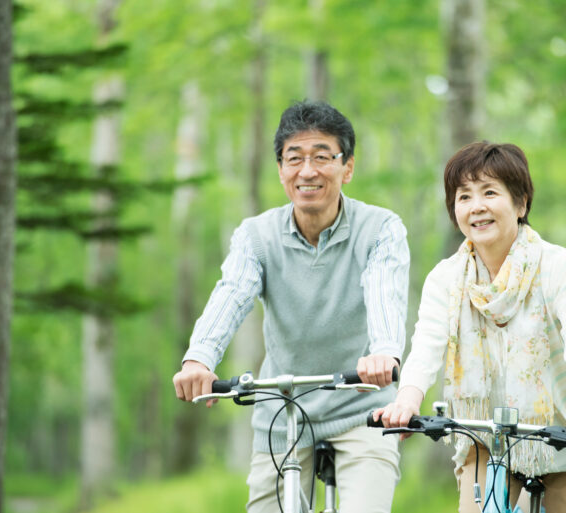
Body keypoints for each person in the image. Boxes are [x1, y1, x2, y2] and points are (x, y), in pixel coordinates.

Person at [173, 101, 408, 513]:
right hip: (284, 411)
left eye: (322, 157)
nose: (307, 171)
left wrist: (385, 352)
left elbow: (384, 291)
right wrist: (199, 359)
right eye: (294, 158)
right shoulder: (256, 235)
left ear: (347, 167)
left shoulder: (380, 229)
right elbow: (232, 293)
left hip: (361, 407)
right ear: (280, 169)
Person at [374, 142, 566, 513]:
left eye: (490, 192)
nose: (477, 207)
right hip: (488, 443)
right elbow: (426, 346)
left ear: (521, 205)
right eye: (464, 196)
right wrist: (406, 402)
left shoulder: (557, 266)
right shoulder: (446, 278)